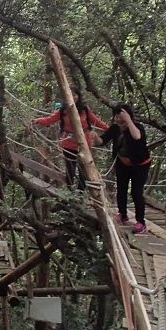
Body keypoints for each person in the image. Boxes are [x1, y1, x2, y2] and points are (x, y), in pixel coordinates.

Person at [29, 87, 109, 190]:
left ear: (78, 96)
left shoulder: (84, 109)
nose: (73, 97)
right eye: (70, 95)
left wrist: (111, 130)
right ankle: (70, 191)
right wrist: (37, 121)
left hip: (84, 143)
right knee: (70, 170)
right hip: (68, 143)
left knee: (84, 171)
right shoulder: (63, 110)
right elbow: (50, 119)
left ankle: (80, 193)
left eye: (75, 95)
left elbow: (97, 121)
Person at [93, 104, 151, 235]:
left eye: (121, 116)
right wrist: (95, 137)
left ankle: (141, 222)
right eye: (116, 116)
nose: (118, 119)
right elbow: (102, 141)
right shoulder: (115, 129)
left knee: (136, 192)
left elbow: (137, 137)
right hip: (122, 164)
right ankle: (123, 215)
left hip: (140, 165)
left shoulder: (137, 127)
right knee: (121, 189)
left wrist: (129, 121)